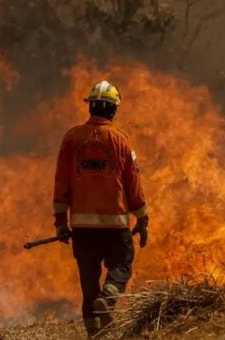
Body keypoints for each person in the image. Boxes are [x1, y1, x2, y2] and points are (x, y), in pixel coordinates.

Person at [53, 80, 149, 336]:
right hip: (115, 225)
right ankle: (108, 299)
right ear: (113, 110)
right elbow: (133, 183)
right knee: (122, 264)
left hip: (82, 228)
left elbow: (61, 182)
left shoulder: (72, 139)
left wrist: (61, 222)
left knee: (88, 282)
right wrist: (142, 217)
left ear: (91, 107)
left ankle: (96, 334)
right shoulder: (121, 140)